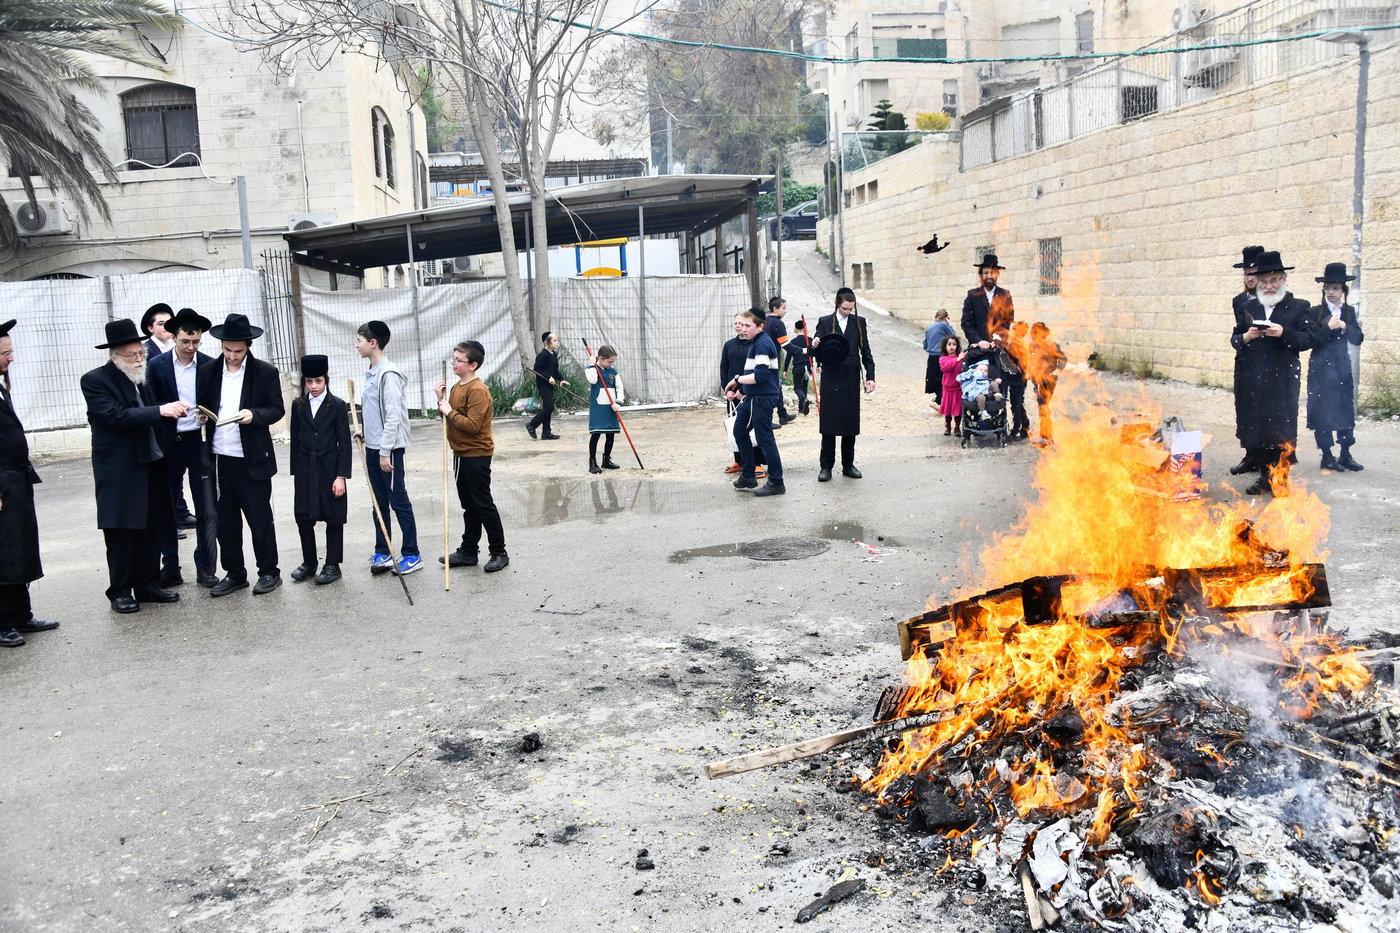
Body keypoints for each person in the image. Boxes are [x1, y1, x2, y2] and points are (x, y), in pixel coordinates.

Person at [81, 319, 187, 612]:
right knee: (122, 532)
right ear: (115, 356)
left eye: (141, 354)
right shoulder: (95, 381)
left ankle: (147, 585)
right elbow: (116, 416)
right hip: (120, 471)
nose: (139, 360)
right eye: (132, 355)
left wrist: (172, 414)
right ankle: (120, 591)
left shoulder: (142, 378)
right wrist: (160, 410)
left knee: (151, 528)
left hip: (151, 463)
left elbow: (152, 417)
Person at [196, 313, 285, 595]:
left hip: (251, 458)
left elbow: (276, 409)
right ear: (221, 345)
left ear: (248, 346)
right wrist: (202, 416)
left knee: (259, 520)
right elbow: (204, 403)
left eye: (238, 351)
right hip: (220, 458)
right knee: (225, 522)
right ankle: (235, 574)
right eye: (227, 350)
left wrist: (253, 415)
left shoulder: (264, 372)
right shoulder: (209, 371)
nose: (232, 356)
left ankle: (269, 572)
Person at [1229, 251, 1315, 497]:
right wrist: (1246, 337)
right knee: (1258, 428)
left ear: (1283, 279)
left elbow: (1308, 339)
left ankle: (1281, 480)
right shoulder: (1248, 306)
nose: (1268, 286)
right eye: (1264, 281)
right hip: (1253, 377)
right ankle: (1266, 476)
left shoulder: (1299, 307)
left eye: (1274, 280)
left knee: (1280, 429)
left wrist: (1283, 332)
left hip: (1282, 381)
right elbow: (1235, 338)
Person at [147, 307, 217, 588]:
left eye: (196, 342)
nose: (190, 347)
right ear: (173, 338)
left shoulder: (210, 365)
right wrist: (164, 412)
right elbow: (150, 402)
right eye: (185, 342)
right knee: (167, 506)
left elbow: (218, 403)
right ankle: (171, 567)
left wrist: (207, 414)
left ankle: (205, 567)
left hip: (198, 443)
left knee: (205, 506)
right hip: (168, 443)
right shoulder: (157, 366)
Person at [0, 320, 58, 646]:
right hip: (2, 482)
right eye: (6, 353)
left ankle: (21, 614)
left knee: (19, 549)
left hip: (15, 481)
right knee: (4, 553)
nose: (12, 358)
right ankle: (3, 621)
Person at [436, 340, 509, 573]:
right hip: (460, 453)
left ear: (473, 365)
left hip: (476, 454)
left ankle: (499, 552)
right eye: (453, 358)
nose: (453, 363)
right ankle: (468, 551)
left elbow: (473, 425)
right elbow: (449, 420)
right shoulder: (457, 387)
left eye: (458, 360)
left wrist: (449, 410)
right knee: (469, 505)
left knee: (483, 503)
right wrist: (441, 401)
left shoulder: (477, 390)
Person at [355, 320, 420, 576]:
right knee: (378, 501)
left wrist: (385, 451)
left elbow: (393, 416)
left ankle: (412, 554)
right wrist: (364, 430)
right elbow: (375, 411)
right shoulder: (372, 372)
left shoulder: (388, 374)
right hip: (373, 446)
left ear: (373, 343)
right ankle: (383, 552)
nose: (356, 344)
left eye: (359, 340)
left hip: (389, 450)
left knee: (398, 500)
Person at [289, 355, 351, 585]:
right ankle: (309, 562)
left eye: (318, 381)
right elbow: (295, 440)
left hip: (329, 467)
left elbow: (344, 443)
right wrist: (296, 473)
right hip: (306, 468)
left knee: (333, 516)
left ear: (327, 380)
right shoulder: (298, 405)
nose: (313, 387)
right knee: (304, 516)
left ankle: (332, 564)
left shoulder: (336, 405)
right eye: (309, 382)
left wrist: (341, 476)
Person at [812, 287, 876, 481]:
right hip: (831, 377)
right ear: (836, 304)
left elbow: (865, 351)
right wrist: (814, 345)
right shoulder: (824, 322)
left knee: (850, 422)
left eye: (851, 309)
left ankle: (848, 465)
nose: (848, 312)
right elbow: (815, 349)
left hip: (850, 377)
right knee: (829, 423)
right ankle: (826, 467)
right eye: (845, 309)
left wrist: (870, 376)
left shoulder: (859, 323)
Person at [1306, 262, 1365, 473]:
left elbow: (1358, 338)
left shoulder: (1349, 311)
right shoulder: (1314, 312)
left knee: (1344, 410)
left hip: (1341, 368)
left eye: (1336, 288)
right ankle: (1327, 456)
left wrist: (1344, 326)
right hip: (1320, 369)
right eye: (1328, 287)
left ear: (1343, 291)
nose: (1331, 292)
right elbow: (1310, 340)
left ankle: (1346, 454)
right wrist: (1327, 327)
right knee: (1322, 411)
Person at [725, 309, 785, 496]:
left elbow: (760, 375)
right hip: (754, 397)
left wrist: (737, 380)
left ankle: (776, 482)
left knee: (765, 439)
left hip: (762, 398)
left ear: (760, 326)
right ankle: (749, 475)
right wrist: (741, 391)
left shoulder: (762, 344)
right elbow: (757, 375)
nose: (743, 329)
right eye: (741, 325)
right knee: (740, 432)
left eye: (747, 326)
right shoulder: (755, 343)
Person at [1229, 246, 1267, 474]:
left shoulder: (1271, 297)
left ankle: (1265, 458)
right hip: (1246, 362)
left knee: (1265, 412)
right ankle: (1250, 455)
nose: (1249, 277)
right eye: (1246, 273)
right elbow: (1239, 330)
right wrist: (1243, 338)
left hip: (1267, 363)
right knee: (1245, 410)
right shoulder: (1238, 300)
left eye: (1254, 273)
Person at [719, 314, 765, 476]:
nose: (739, 326)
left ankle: (756, 462)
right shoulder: (729, 345)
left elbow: (756, 372)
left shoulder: (754, 345)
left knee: (752, 429)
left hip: (748, 393)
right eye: (736, 323)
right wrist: (727, 390)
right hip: (732, 394)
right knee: (734, 428)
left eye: (742, 323)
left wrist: (743, 390)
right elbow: (724, 368)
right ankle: (739, 460)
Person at [961, 253, 1015, 349]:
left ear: (997, 274)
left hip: (999, 346)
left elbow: (1007, 321)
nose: (989, 276)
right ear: (981, 275)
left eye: (992, 273)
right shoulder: (972, 295)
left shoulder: (1005, 295)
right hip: (978, 346)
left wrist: (997, 339)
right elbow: (966, 323)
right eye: (986, 273)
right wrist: (979, 341)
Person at [585, 346, 624, 474]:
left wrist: (618, 402)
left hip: (611, 407)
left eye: (612, 362)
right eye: (609, 361)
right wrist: (591, 365)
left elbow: (619, 387)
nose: (611, 364)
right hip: (598, 408)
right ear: (600, 359)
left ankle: (606, 460)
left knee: (611, 434)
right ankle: (592, 462)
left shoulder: (613, 372)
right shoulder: (593, 370)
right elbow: (593, 380)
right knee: (596, 434)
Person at [1027, 323, 1067, 445]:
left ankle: (1047, 436)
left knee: (1043, 405)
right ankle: (1044, 434)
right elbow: (1030, 361)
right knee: (1041, 406)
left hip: (1048, 380)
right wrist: (1029, 373)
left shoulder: (1052, 345)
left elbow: (1063, 359)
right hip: (1037, 380)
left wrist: (1057, 370)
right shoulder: (1032, 346)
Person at [526, 331, 568, 440]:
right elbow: (537, 369)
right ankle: (532, 425)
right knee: (549, 407)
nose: (556, 343)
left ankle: (546, 433)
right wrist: (548, 377)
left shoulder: (553, 354)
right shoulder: (542, 355)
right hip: (543, 384)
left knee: (547, 408)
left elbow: (555, 370)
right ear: (547, 343)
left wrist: (561, 379)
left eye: (556, 340)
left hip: (550, 384)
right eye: (554, 341)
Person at [764, 296, 797, 426]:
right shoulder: (778, 323)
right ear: (775, 308)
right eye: (783, 308)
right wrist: (803, 351)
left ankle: (782, 414)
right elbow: (786, 345)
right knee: (772, 389)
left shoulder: (764, 322)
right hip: (772, 360)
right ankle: (769, 419)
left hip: (762, 359)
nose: (785, 311)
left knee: (775, 387)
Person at [923, 310, 956, 403]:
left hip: (931, 357)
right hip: (941, 356)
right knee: (944, 379)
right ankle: (940, 401)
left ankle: (939, 400)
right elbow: (953, 336)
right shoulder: (944, 325)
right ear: (946, 317)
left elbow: (925, 344)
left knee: (934, 380)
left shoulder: (930, 327)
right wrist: (949, 324)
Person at [784, 319, 812, 416]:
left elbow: (788, 356)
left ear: (796, 328)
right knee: (804, 386)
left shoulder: (793, 341)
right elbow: (815, 353)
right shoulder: (810, 340)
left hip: (798, 367)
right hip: (808, 367)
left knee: (797, 387)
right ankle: (802, 409)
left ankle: (803, 400)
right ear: (805, 328)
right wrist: (819, 365)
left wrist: (785, 369)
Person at [938, 335, 964, 436]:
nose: (952, 346)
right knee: (947, 410)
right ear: (945, 347)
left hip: (957, 389)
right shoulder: (943, 359)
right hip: (947, 389)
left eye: (954, 344)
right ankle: (947, 426)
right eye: (949, 344)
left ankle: (957, 427)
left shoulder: (961, 359)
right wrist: (957, 360)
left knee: (957, 409)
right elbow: (946, 368)